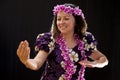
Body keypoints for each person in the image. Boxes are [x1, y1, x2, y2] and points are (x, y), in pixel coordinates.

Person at [16, 3, 108, 80]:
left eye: (66, 18)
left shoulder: (84, 40)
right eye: (59, 19)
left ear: (76, 21)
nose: (61, 22)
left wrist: (95, 64)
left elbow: (103, 59)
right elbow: (37, 63)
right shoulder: (49, 40)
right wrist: (26, 61)